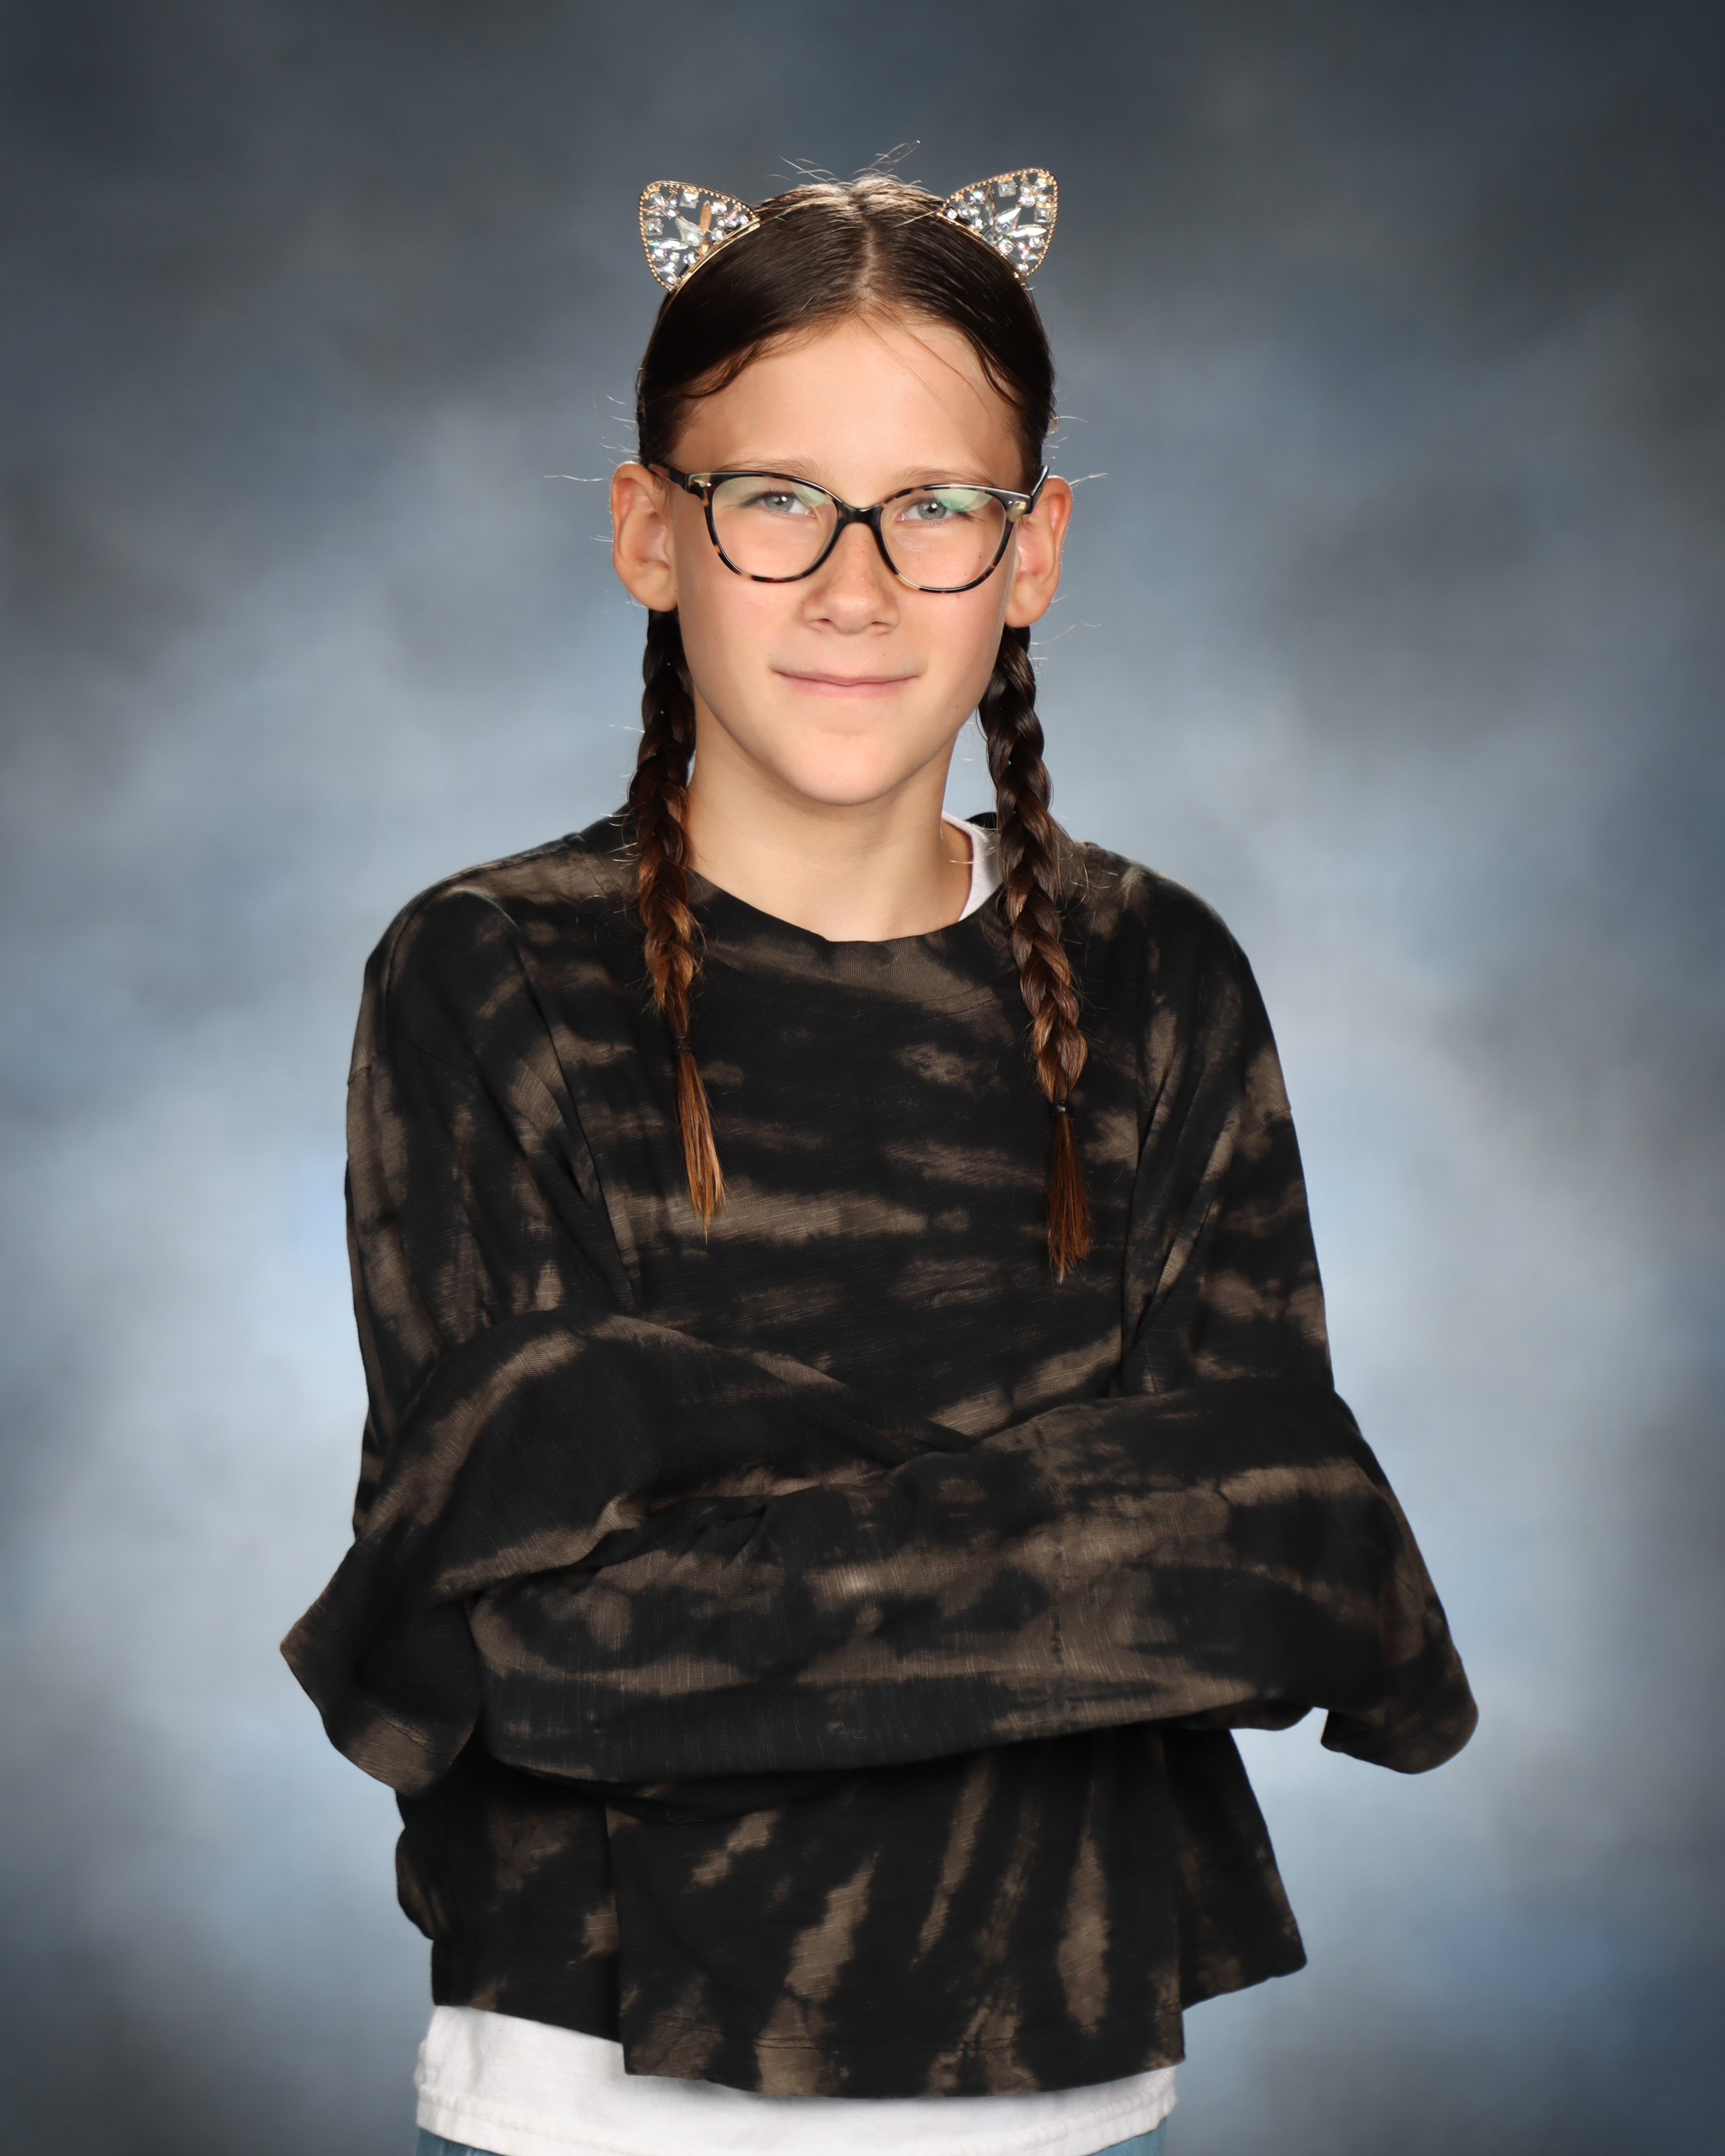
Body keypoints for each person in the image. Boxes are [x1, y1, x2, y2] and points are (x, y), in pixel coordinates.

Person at [284, 168, 1476, 2156]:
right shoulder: (486, 979)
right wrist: (1094, 1512)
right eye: (777, 500)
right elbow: (541, 1647)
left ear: (1033, 550)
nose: (856, 587)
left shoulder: (1161, 982)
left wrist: (709, 1481)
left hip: (1069, 2092)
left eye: (934, 507)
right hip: (591, 2101)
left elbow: (1269, 1559)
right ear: (647, 531)